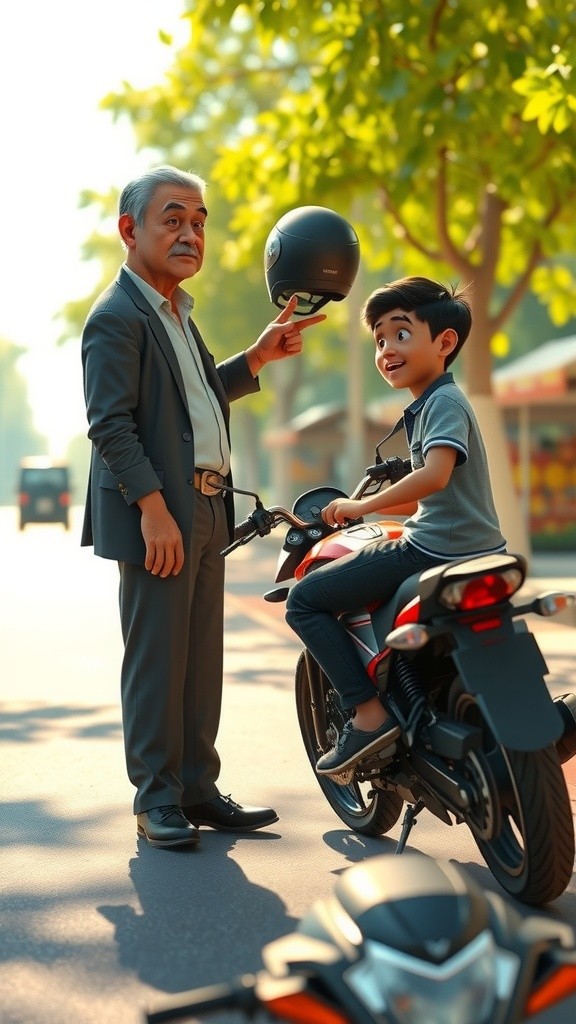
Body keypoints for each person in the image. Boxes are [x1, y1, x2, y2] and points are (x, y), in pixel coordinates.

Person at [81, 165, 326, 849]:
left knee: (199, 657)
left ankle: (196, 786)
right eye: (173, 218)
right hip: (160, 511)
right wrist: (153, 510)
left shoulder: (179, 314)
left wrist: (254, 358)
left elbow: (191, 405)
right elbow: (112, 425)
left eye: (198, 221)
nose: (190, 232)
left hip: (208, 509)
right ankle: (156, 797)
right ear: (130, 230)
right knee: (159, 657)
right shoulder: (117, 317)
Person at [285, 276, 506, 775]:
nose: (387, 349)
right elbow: (437, 496)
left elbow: (434, 476)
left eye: (401, 334)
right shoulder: (430, 405)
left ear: (445, 342)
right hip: (477, 547)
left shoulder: (441, 403)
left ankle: (367, 714)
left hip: (437, 552)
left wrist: (360, 510)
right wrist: (373, 508)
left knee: (304, 601)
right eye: (380, 340)